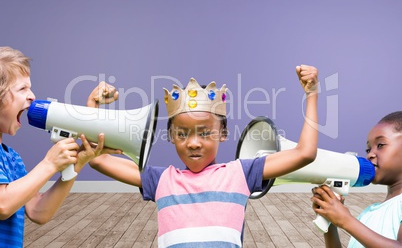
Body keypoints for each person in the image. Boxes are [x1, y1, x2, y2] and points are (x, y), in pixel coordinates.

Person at [88, 65, 319, 247]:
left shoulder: (241, 174)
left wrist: (312, 94)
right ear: (171, 136)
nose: (194, 143)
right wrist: (93, 106)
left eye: (206, 133)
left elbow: (304, 153)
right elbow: (97, 158)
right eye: (182, 134)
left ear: (224, 134)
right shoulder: (161, 180)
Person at [0, 46, 119, 247]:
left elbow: (38, 211)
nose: (32, 96)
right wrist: (49, 164)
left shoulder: (12, 158)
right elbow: (3, 205)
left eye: (30, 87)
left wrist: (77, 164)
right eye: (22, 89)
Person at [311, 111, 402, 248]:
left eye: (381, 145)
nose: (370, 154)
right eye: (368, 149)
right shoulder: (368, 213)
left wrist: (346, 221)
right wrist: (330, 222)